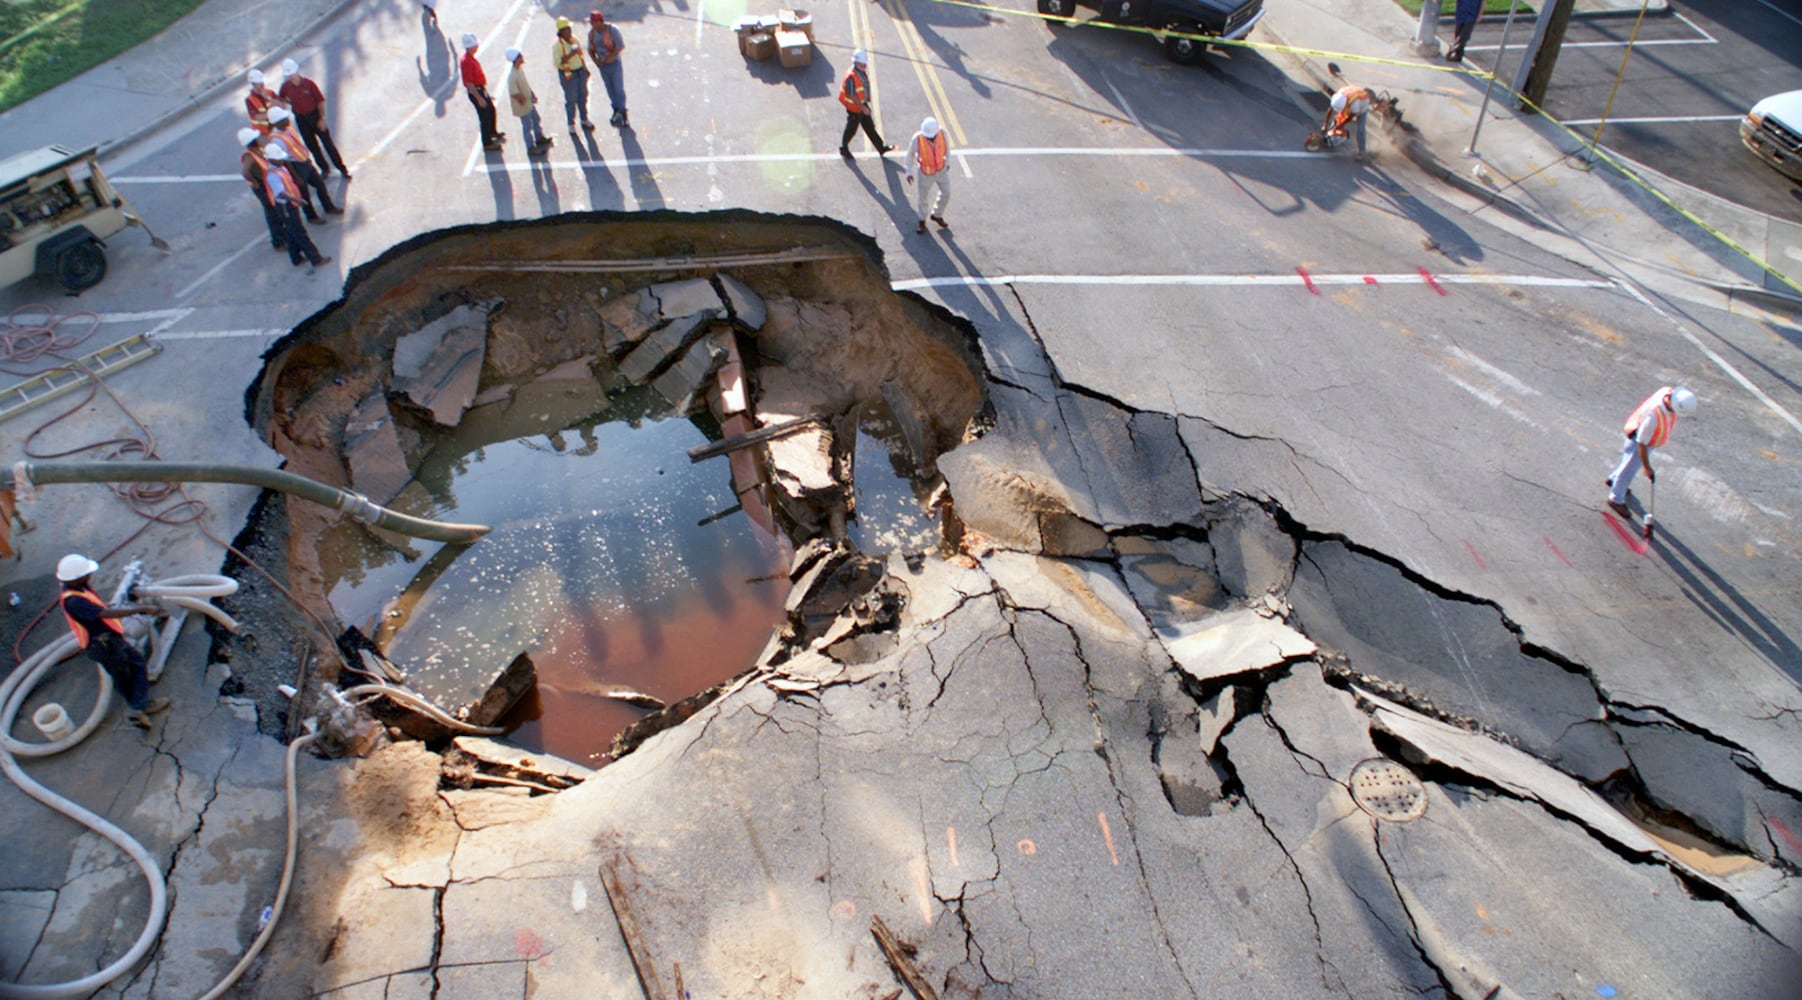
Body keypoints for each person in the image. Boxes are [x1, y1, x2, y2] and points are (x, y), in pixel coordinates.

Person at [56, 554, 168, 729]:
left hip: (109, 638)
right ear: (77, 578)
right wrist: (142, 609)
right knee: (123, 675)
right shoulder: (74, 601)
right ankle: (138, 709)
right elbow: (103, 614)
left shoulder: (77, 586)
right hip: (102, 645)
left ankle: (141, 703)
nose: (90, 576)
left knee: (137, 662)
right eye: (87, 573)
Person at [1607, 386, 1696, 518]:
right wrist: (1647, 467)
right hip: (1639, 442)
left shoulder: (1667, 392)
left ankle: (1614, 480)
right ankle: (1616, 499)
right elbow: (1641, 443)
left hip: (1644, 438)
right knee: (1628, 470)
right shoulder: (1653, 417)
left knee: (1627, 465)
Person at [278, 58, 350, 178]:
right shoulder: (286, 87)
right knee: (312, 146)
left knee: (328, 145)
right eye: (288, 75)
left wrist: (321, 118)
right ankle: (324, 169)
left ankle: (342, 168)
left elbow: (320, 101)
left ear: (297, 71)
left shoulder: (309, 84)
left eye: (292, 74)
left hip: (315, 116)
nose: (291, 77)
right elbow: (282, 98)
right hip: (301, 119)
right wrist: (290, 102)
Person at [265, 145, 332, 271]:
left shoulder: (279, 167)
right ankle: (316, 258)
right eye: (278, 159)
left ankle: (296, 258)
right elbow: (280, 193)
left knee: (291, 232)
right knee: (299, 232)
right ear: (271, 159)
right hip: (286, 206)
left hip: (290, 204)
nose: (281, 160)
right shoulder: (272, 175)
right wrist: (297, 200)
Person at [266, 106, 342, 216]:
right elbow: (284, 160)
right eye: (284, 119)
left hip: (304, 161)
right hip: (295, 166)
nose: (288, 120)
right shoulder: (277, 139)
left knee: (320, 184)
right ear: (278, 122)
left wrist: (307, 159)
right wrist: (295, 176)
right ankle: (311, 216)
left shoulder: (288, 129)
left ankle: (329, 207)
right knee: (304, 193)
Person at [838, 50, 892, 159]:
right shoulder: (851, 77)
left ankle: (880, 147)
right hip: (855, 108)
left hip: (862, 105)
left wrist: (864, 105)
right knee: (851, 129)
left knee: (870, 127)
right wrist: (863, 108)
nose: (865, 65)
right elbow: (852, 95)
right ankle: (844, 148)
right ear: (856, 63)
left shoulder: (860, 71)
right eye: (863, 63)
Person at [239, 128, 286, 251]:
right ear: (253, 142)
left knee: (275, 209)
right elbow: (245, 172)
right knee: (272, 211)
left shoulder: (257, 151)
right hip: (261, 186)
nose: (260, 139)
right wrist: (254, 182)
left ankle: (281, 236)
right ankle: (278, 241)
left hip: (266, 184)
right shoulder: (249, 156)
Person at [904, 116, 951, 235]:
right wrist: (909, 172)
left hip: (941, 170)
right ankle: (922, 219)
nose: (930, 138)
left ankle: (937, 214)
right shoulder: (917, 139)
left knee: (946, 193)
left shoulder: (942, 133)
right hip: (926, 173)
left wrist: (947, 163)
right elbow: (910, 156)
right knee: (923, 198)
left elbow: (947, 149)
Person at [461, 33, 505, 149]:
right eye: (475, 45)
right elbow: (470, 83)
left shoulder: (469, 58)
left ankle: (492, 132)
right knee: (484, 116)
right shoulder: (467, 62)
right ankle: (487, 143)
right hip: (476, 91)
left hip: (481, 89)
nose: (477, 47)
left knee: (491, 110)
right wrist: (479, 98)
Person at [552, 16, 595, 133]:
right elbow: (557, 63)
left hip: (580, 71)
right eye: (567, 29)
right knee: (571, 99)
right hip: (568, 75)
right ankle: (571, 124)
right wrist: (571, 54)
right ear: (561, 31)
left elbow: (580, 55)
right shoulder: (557, 46)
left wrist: (585, 69)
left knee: (583, 96)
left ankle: (584, 119)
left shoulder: (574, 39)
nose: (570, 31)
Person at [587, 10, 628, 128]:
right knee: (610, 88)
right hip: (603, 66)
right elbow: (590, 50)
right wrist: (596, 62)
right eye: (591, 23)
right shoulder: (592, 34)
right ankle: (616, 109)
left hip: (614, 63)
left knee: (618, 88)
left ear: (600, 21)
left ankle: (623, 111)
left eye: (594, 22)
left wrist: (612, 56)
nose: (592, 25)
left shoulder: (611, 30)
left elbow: (620, 45)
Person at [507, 48, 552, 154]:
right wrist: (523, 101)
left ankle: (539, 137)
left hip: (528, 103)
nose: (522, 57)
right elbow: (514, 93)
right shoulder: (512, 76)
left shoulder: (519, 70)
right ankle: (530, 147)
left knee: (536, 120)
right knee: (527, 127)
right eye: (520, 56)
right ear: (516, 59)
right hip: (523, 105)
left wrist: (532, 94)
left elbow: (526, 84)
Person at [1324, 82, 1372, 161]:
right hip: (1352, 94)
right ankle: (1329, 136)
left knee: (1360, 128)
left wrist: (1340, 125)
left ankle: (1362, 152)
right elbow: (1330, 110)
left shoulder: (1354, 104)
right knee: (1338, 120)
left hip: (1363, 102)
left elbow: (1350, 117)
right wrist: (1325, 124)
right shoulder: (1337, 98)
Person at [245, 68, 287, 133]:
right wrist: (274, 115)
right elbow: (258, 117)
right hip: (264, 133)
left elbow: (283, 106)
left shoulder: (270, 93)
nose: (262, 85)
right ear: (253, 85)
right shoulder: (249, 100)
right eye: (260, 84)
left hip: (278, 128)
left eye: (262, 82)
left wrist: (268, 98)